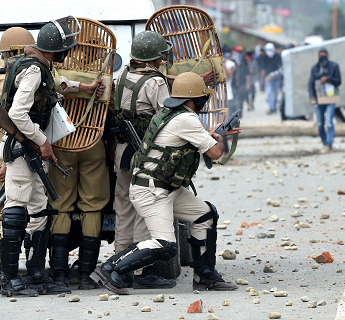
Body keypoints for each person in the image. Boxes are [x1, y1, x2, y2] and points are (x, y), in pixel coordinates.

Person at [92, 72, 241, 295]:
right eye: (202, 97)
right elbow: (216, 153)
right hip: (152, 191)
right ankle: (108, 268)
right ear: (193, 99)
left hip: (163, 187)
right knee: (165, 244)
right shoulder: (186, 119)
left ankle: (205, 275)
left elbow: (184, 139)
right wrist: (220, 138)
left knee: (205, 215)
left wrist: (213, 134)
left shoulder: (170, 113)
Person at [0, 17, 86, 297]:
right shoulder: (34, 70)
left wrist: (82, 87)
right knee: (16, 210)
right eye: (64, 49)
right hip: (25, 149)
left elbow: (56, 86)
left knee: (38, 212)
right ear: (55, 50)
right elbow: (16, 114)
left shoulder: (37, 67)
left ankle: (35, 273)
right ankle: (9, 278)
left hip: (31, 151)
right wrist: (42, 141)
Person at [108, 30, 175, 290]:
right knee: (144, 210)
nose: (162, 60)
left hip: (122, 151)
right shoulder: (155, 83)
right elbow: (167, 116)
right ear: (152, 59)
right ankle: (139, 271)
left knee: (123, 209)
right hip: (144, 153)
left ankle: (118, 265)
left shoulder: (123, 75)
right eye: (160, 56)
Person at [47, 42, 109, 291]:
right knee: (92, 207)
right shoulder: (103, 74)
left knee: (60, 206)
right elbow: (111, 106)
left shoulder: (55, 70)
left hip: (62, 143)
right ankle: (85, 275)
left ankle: (59, 274)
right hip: (93, 142)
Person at [0, 26, 36, 295]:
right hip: (4, 155)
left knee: (0, 213)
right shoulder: (7, 77)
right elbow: (6, 122)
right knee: (7, 214)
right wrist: (7, 157)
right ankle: (3, 276)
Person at [308, 48, 341, 153]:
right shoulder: (315, 68)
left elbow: (338, 81)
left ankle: (329, 143)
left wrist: (328, 79)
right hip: (319, 100)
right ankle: (325, 142)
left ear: (328, 56)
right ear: (318, 56)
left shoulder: (334, 66)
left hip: (330, 99)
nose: (322, 58)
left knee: (329, 122)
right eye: (320, 55)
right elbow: (310, 83)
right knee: (320, 124)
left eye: (324, 55)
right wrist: (312, 96)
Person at [259, 43, 282, 114]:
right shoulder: (264, 57)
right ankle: (272, 108)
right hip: (268, 78)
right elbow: (263, 69)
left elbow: (281, 69)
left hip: (277, 78)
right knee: (269, 93)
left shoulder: (278, 56)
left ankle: (274, 107)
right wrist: (262, 80)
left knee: (275, 93)